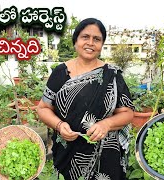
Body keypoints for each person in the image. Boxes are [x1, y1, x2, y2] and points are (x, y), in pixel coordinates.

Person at [37, 18, 135, 180]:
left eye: (97, 39)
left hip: (106, 158)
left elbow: (127, 113)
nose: (90, 43)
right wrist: (60, 125)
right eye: (85, 37)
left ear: (102, 45)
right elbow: (43, 108)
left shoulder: (112, 76)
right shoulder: (60, 73)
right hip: (68, 155)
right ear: (75, 41)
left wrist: (106, 124)